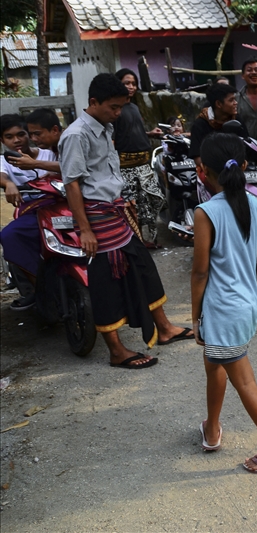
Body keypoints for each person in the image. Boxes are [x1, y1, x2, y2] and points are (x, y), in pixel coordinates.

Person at [60, 73, 194, 368]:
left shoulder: (106, 127)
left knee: (143, 267)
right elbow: (72, 184)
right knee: (106, 280)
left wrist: (124, 196)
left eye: (121, 107)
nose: (118, 113)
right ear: (93, 102)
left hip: (116, 209)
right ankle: (116, 350)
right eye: (113, 107)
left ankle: (165, 328)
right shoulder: (75, 135)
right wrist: (85, 230)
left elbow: (107, 171)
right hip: (97, 218)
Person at [191, 133, 257, 473]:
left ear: (200, 171)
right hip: (245, 304)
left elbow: (199, 272)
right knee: (214, 363)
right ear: (246, 167)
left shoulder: (205, 213)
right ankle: (211, 429)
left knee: (245, 381)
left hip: (223, 310)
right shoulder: (253, 203)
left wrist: (195, 318)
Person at [0, 113, 59, 310]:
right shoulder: (4, 161)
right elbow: (2, 176)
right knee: (9, 235)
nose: (16, 140)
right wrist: (8, 184)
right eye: (9, 137)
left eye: (21, 134)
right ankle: (37, 288)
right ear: (2, 140)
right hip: (31, 212)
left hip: (58, 207)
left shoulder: (48, 153)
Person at [114, 69, 165, 248]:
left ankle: (150, 239)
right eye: (126, 83)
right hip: (126, 166)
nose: (131, 87)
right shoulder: (115, 111)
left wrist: (150, 133)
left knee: (153, 201)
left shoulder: (134, 107)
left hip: (144, 163)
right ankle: (137, 242)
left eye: (133, 83)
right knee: (132, 206)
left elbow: (133, 132)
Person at [189, 83, 248, 165]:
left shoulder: (237, 120)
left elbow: (247, 148)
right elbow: (197, 157)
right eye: (231, 100)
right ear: (219, 104)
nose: (236, 103)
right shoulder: (200, 124)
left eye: (235, 99)